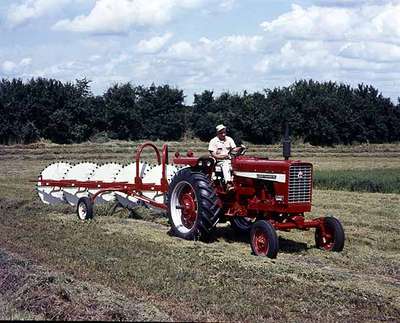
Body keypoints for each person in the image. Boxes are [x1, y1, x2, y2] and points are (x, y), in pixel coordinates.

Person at [208, 124, 236, 190]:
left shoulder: (229, 139)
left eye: (224, 132)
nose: (223, 134)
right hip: (219, 161)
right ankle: (228, 183)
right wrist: (222, 157)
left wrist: (239, 149)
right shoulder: (213, 141)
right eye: (221, 133)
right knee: (225, 164)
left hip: (230, 159)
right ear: (217, 133)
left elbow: (234, 149)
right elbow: (213, 154)